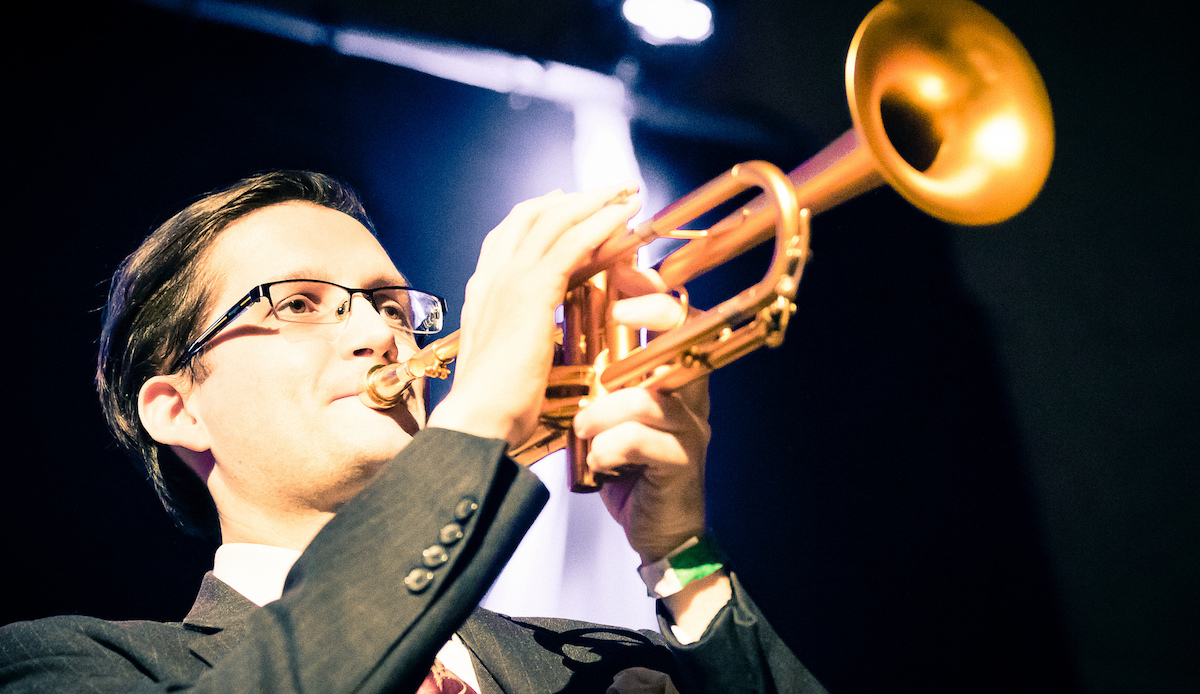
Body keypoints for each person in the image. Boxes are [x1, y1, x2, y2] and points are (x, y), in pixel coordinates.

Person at [0, 170, 826, 693]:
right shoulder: (65, 665)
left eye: (392, 307)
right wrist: (482, 416)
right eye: (295, 304)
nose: (382, 336)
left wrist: (679, 554)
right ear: (177, 409)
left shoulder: (617, 670)